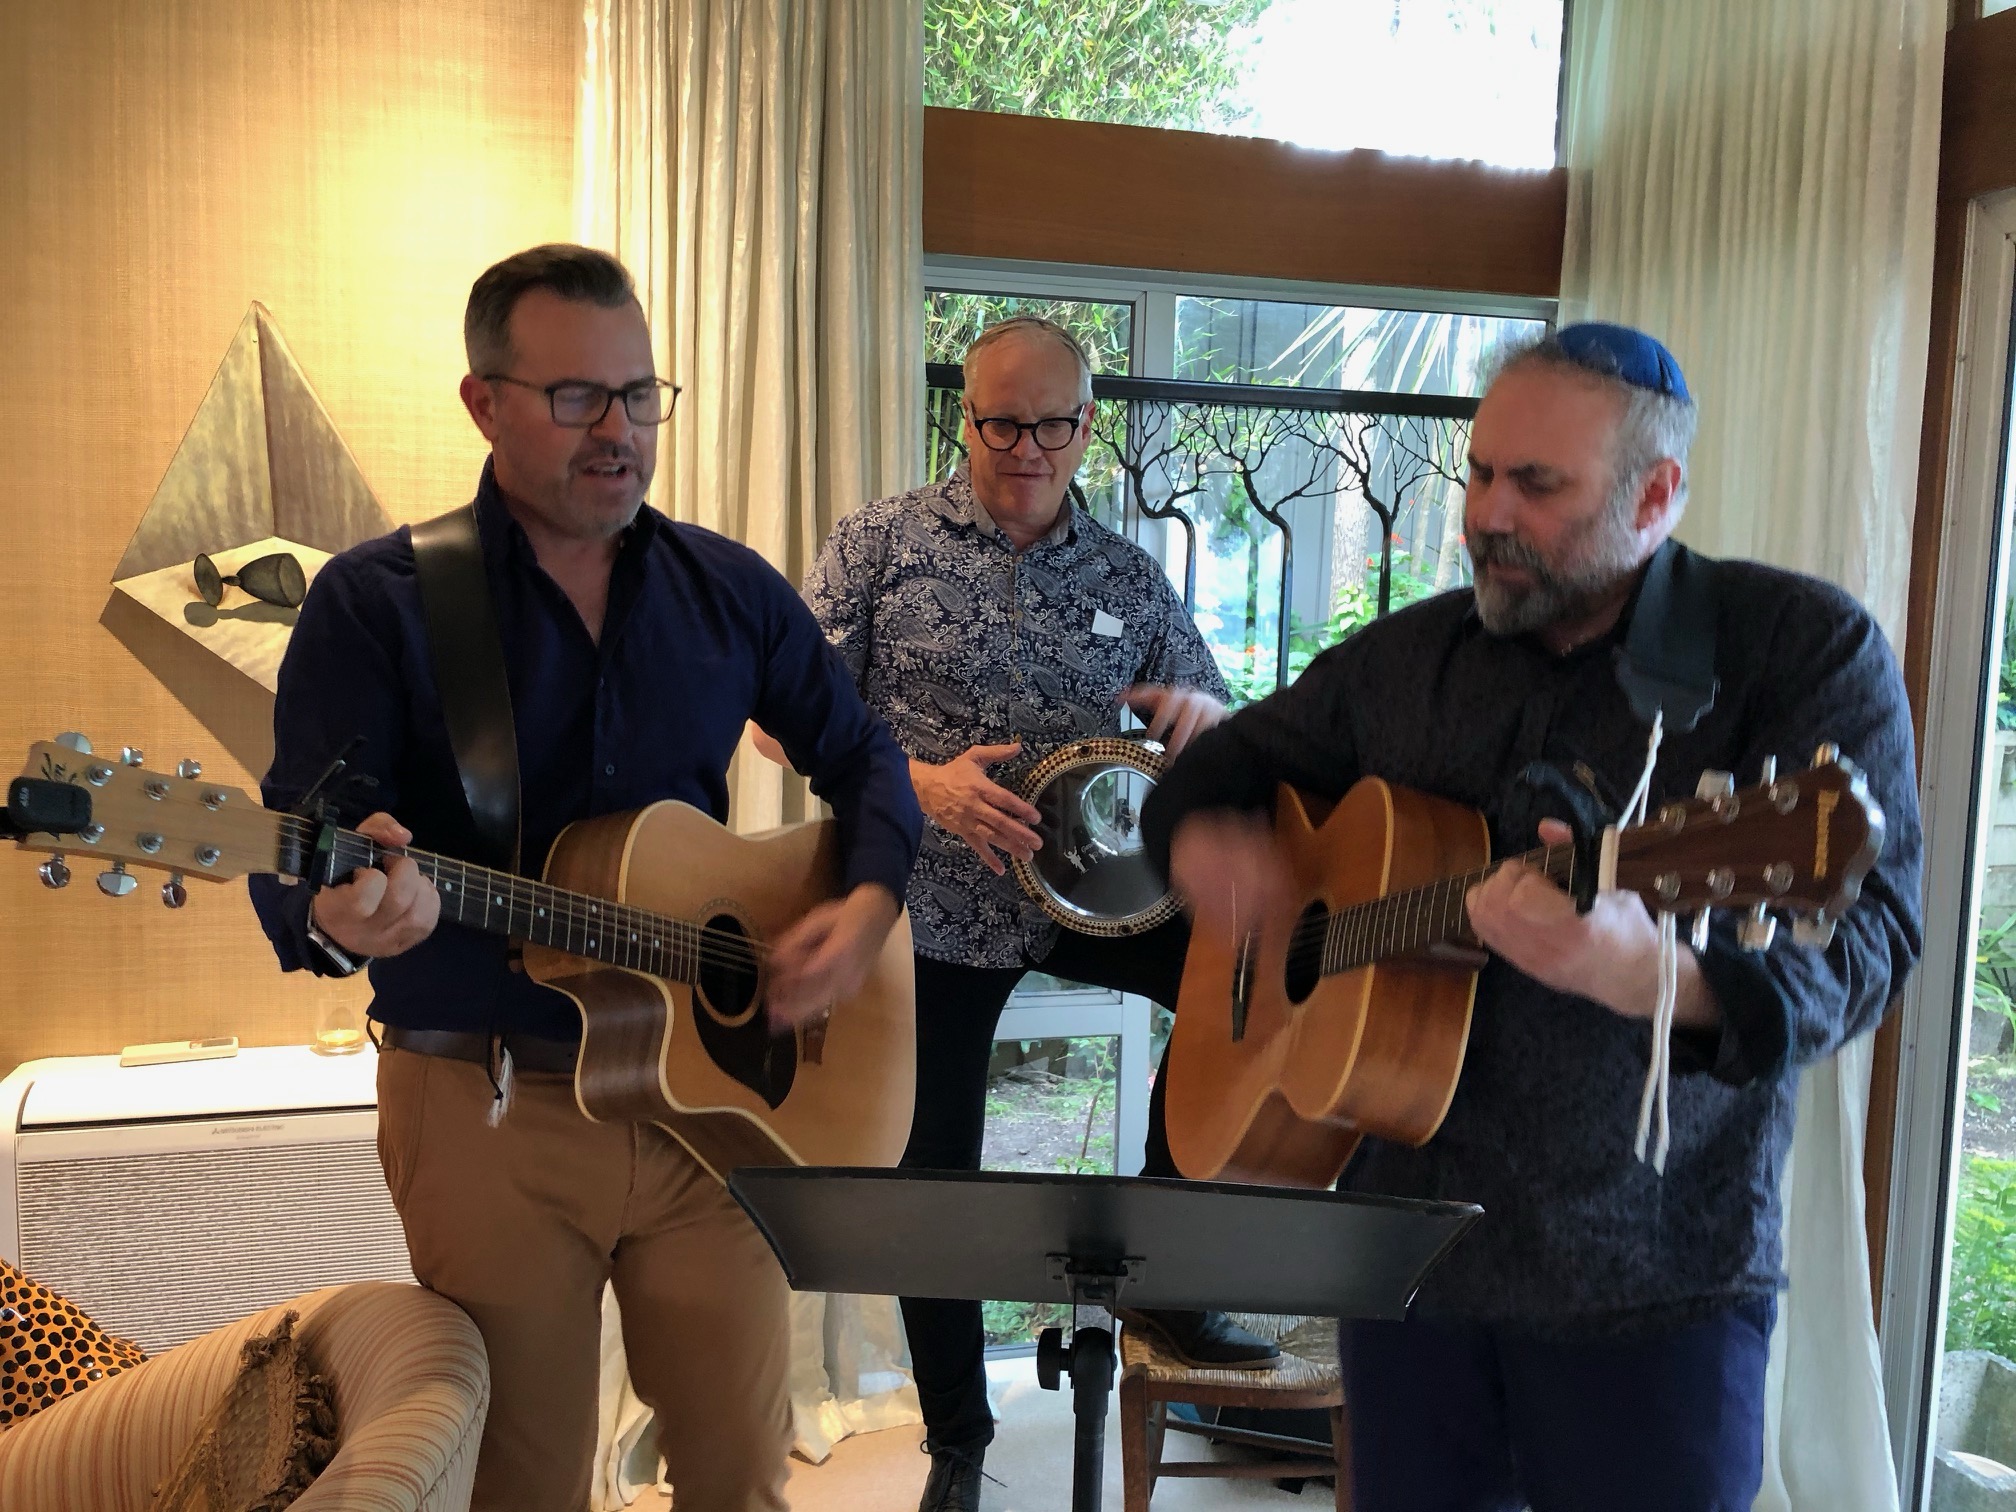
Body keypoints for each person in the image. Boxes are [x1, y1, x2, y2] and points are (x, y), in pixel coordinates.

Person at [1142, 322, 1924, 1512]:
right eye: (1480, 474)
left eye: (1538, 486)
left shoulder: (1795, 651)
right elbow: (1218, 770)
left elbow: (1874, 939)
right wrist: (1206, 845)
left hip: (1649, 1282)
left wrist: (1663, 981)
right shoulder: (1410, 660)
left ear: (1655, 495)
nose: (1487, 516)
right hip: (1408, 1268)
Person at [249, 244, 922, 1512]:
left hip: (710, 1114)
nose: (619, 431)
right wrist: (344, 911)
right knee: (524, 1482)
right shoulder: (379, 603)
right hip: (486, 1104)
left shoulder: (728, 591)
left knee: (742, 1472)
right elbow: (304, 844)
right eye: (576, 398)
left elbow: (867, 758)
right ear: (484, 403)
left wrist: (865, 906)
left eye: (640, 395)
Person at [795, 316, 1279, 1512]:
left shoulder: (1127, 576)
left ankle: (1167, 1268)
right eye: (1000, 423)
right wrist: (922, 783)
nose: (1025, 448)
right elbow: (781, 721)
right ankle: (959, 1440)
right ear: (963, 417)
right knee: (935, 1175)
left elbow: (1208, 716)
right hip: (931, 901)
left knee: (1241, 979)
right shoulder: (878, 544)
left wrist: (1208, 727)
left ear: (1085, 426)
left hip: (1091, 889)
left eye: (1050, 425)